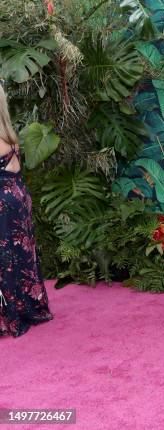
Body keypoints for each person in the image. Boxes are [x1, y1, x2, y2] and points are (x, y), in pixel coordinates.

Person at [0, 81, 53, 337]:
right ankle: (28, 307)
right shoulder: (9, 135)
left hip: (3, 202)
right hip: (18, 197)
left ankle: (10, 316)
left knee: (6, 259)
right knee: (21, 255)